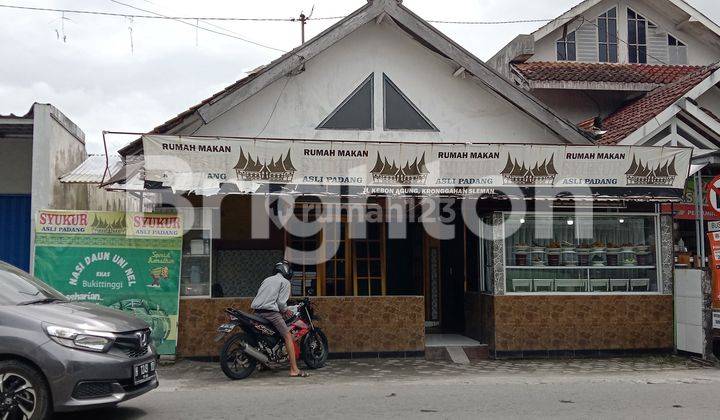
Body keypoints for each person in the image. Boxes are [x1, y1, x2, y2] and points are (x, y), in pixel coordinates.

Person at [251, 260, 308, 378]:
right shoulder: (285, 282)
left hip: (257, 312)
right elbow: (281, 303)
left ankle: (264, 363)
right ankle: (294, 369)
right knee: (287, 336)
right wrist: (286, 310)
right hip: (271, 313)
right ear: (287, 271)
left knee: (264, 338)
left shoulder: (267, 279)